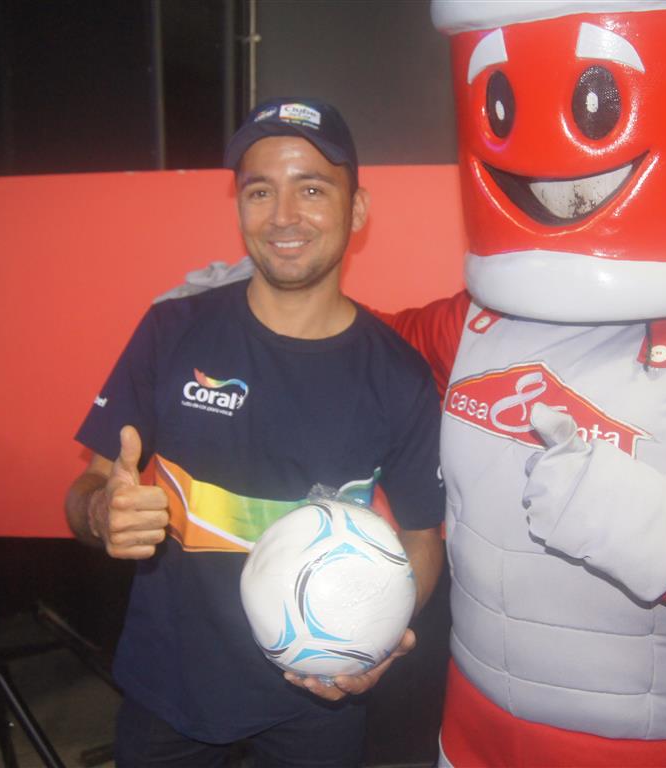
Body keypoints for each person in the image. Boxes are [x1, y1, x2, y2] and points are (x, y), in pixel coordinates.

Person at [176, 2, 666, 764]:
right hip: (468, 733)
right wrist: (256, 296)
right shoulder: (477, 321)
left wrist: (625, 513)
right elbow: (362, 343)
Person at [64, 98, 445, 768]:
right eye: (260, 191)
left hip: (319, 697)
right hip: (170, 687)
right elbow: (89, 485)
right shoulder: (172, 330)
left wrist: (379, 634)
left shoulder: (399, 375)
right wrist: (101, 512)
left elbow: (422, 537)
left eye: (312, 189)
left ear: (357, 210)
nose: (283, 216)